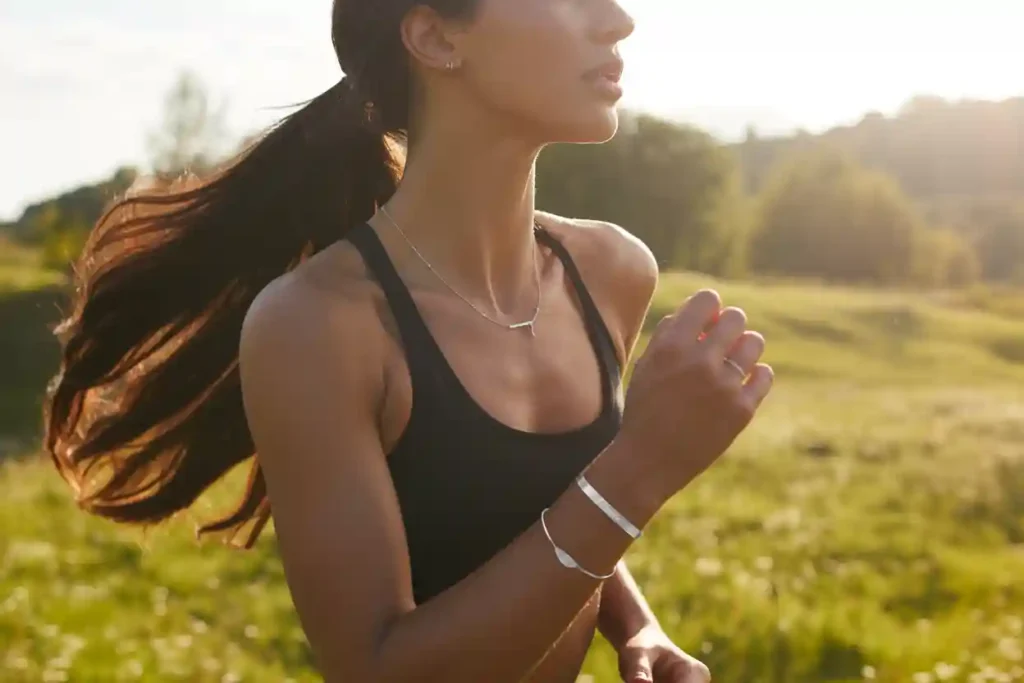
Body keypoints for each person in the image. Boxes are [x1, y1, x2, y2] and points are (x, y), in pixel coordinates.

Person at [43, 0, 773, 681]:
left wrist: (636, 626)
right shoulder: (319, 324)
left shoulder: (612, 272)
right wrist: (640, 468)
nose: (618, 20)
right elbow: (377, 666)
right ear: (435, 37)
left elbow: (533, 507)